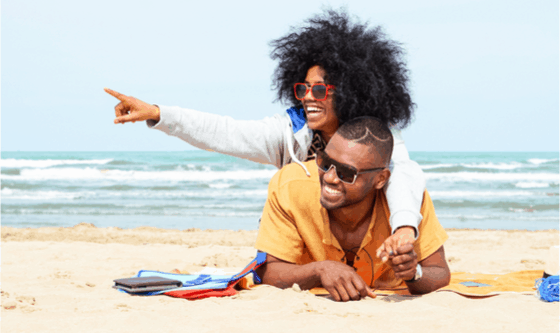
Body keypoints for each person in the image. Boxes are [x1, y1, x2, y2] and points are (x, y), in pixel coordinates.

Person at [104, 9, 423, 256]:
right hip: (305, 252)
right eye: (304, 88)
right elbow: (225, 132)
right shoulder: (291, 130)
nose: (309, 97)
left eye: (321, 90)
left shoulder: (375, 137)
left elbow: (402, 172)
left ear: (352, 91)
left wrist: (405, 227)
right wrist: (161, 114)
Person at [254, 117, 450, 302]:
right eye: (324, 162)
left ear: (380, 179)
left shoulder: (408, 199)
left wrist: (413, 273)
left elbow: (439, 272)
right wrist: (320, 271)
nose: (329, 177)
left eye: (346, 173)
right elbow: (266, 272)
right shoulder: (290, 186)